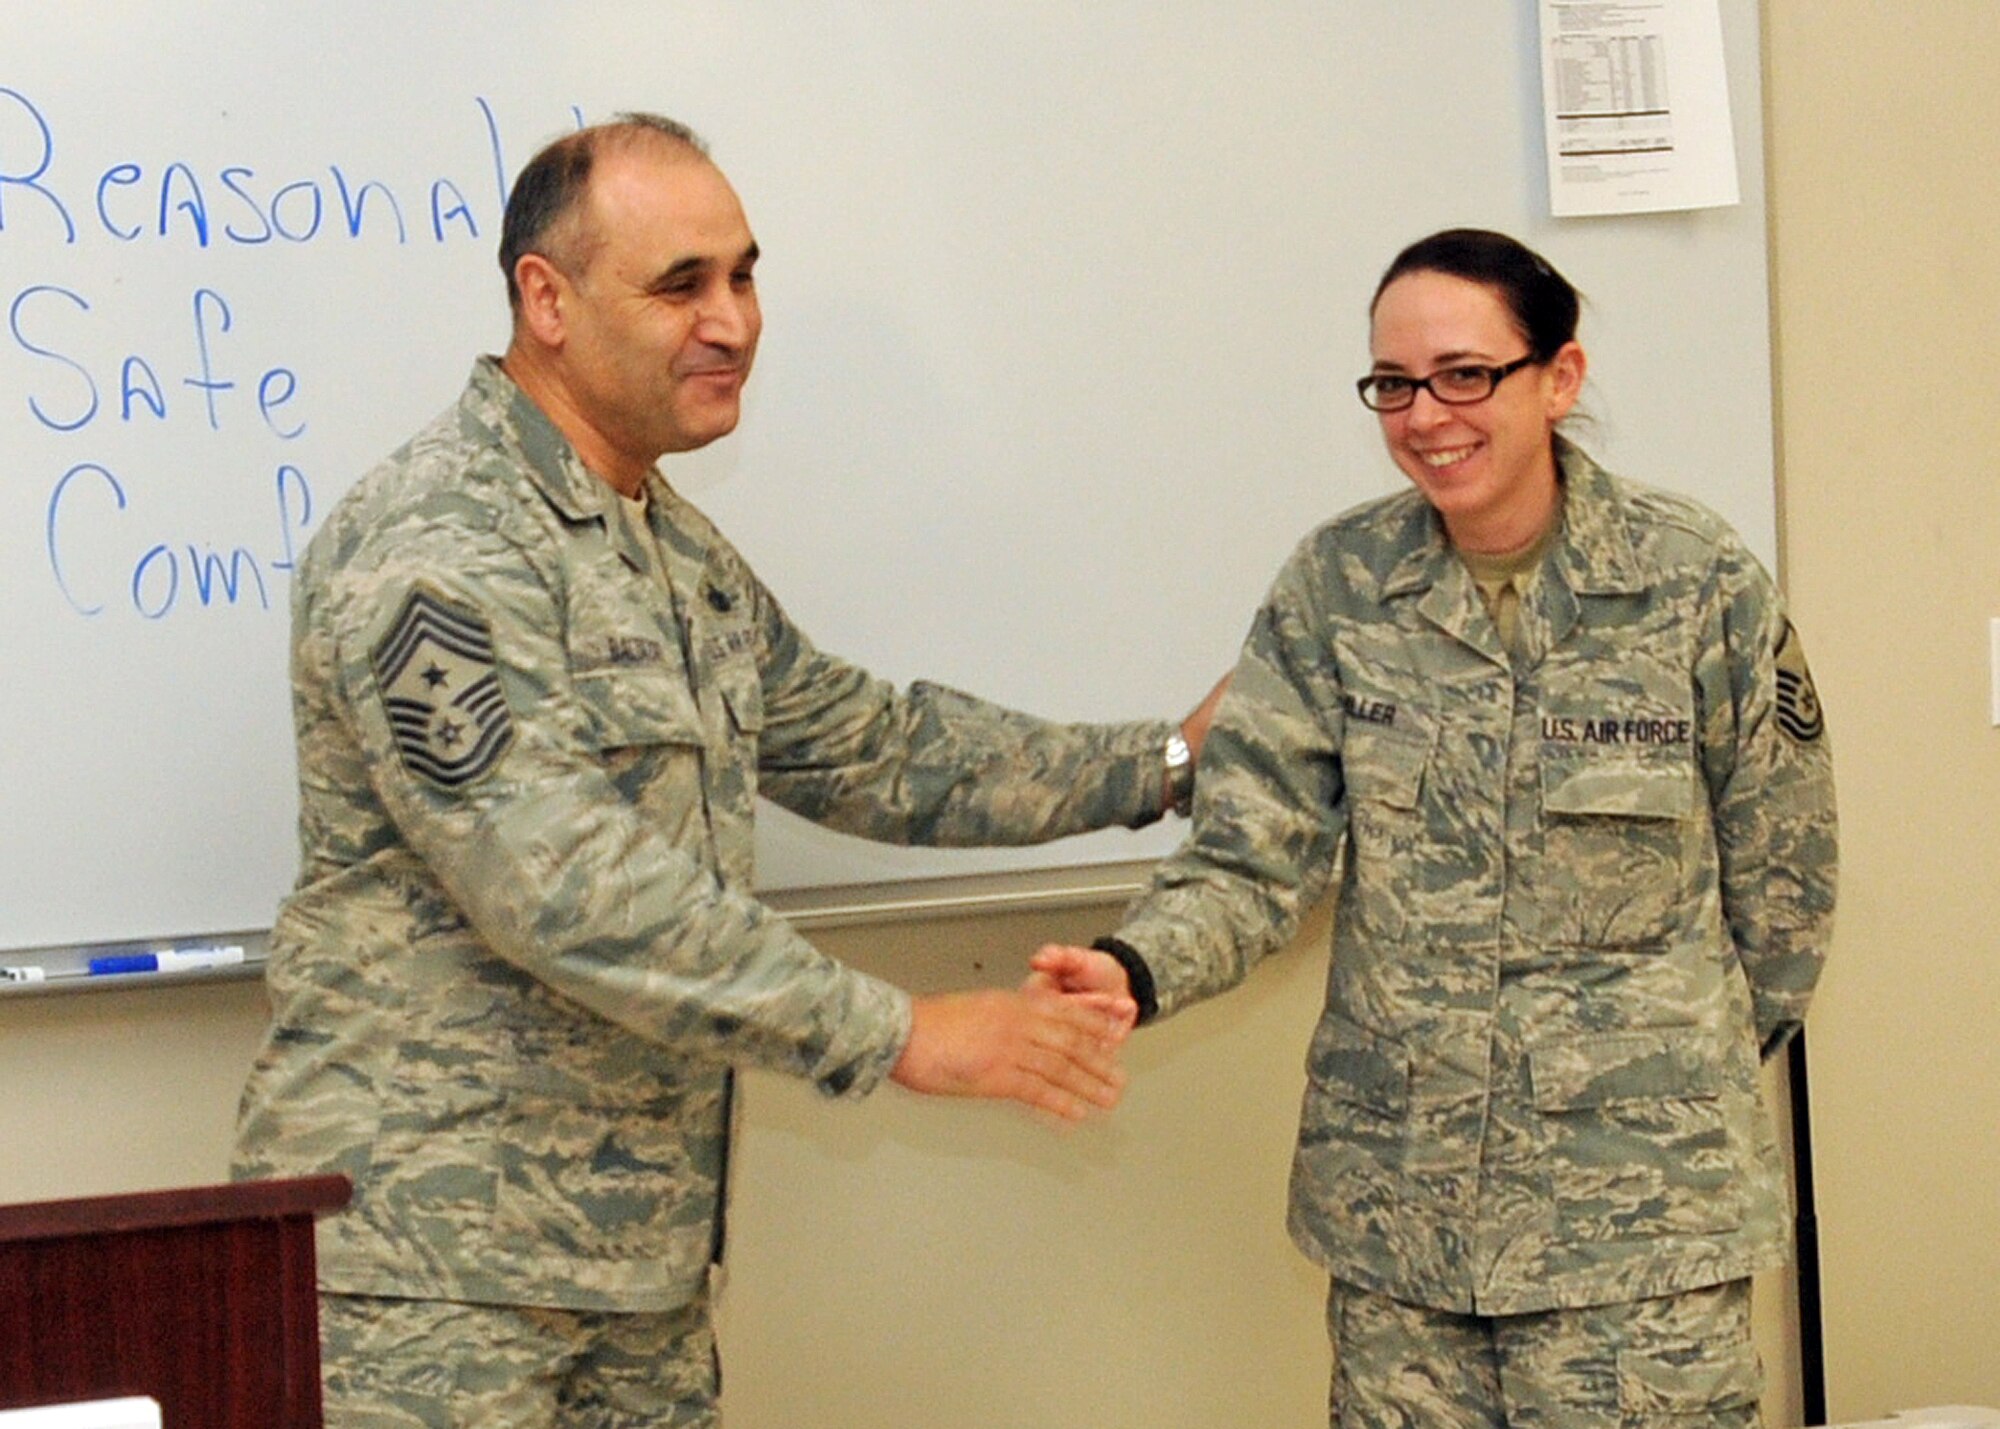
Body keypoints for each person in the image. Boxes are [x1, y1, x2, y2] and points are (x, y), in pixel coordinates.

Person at [233, 112, 1217, 1428]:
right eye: (681, 284)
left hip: (635, 1267)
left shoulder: (666, 544)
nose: (734, 321)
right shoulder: (436, 539)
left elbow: (873, 747)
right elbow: (562, 884)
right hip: (440, 1276)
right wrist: (903, 1033)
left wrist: (1166, 764)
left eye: (744, 275)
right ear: (548, 299)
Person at [1034, 228, 1836, 1428]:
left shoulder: (1695, 582)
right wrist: (1135, 967)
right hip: (1400, 1228)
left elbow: (1783, 892)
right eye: (1393, 384)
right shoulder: (1337, 586)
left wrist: (1654, 1085)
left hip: (1635, 1237)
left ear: (1556, 378)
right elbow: (1252, 851)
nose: (1425, 415)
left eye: (1465, 373)